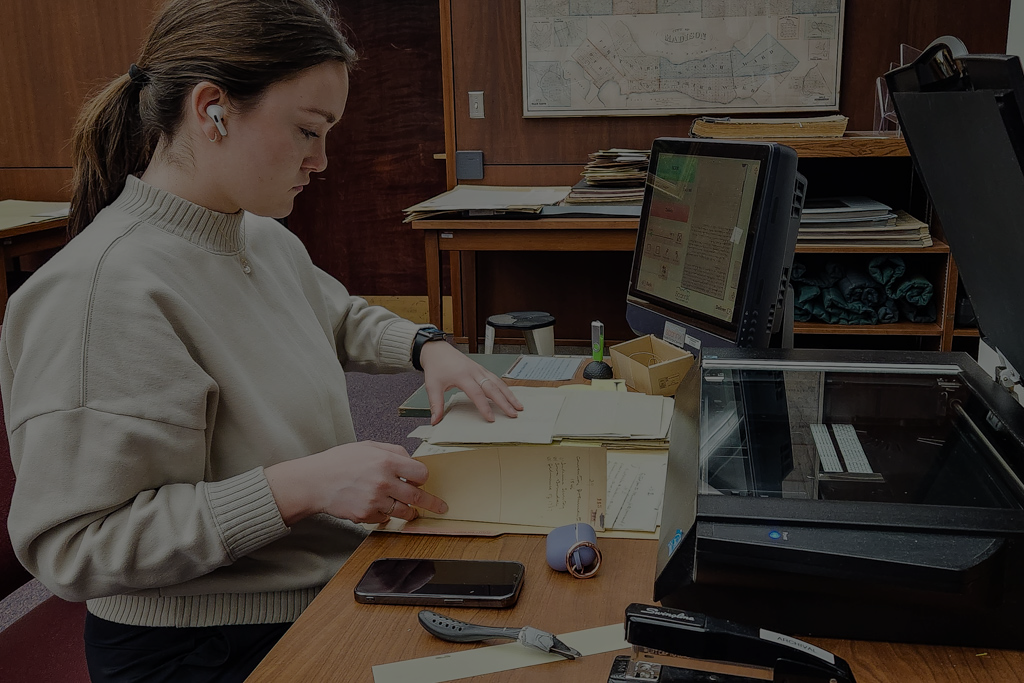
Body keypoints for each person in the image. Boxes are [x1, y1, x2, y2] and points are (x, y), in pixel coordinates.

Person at [0, 0, 522, 680]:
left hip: (320, 584)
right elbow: (77, 545)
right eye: (309, 129)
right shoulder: (102, 290)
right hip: (205, 645)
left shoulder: (254, 234)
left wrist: (428, 345)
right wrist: (301, 486)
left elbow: (334, 315)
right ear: (212, 109)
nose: (323, 159)